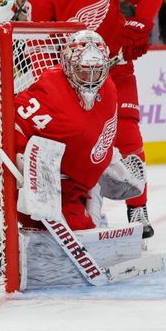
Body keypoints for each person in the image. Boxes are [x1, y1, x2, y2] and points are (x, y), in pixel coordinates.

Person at [28, 0, 164, 238]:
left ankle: (138, 205)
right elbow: (37, 45)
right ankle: (78, 209)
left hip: (114, 70)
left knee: (127, 135)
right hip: (68, 83)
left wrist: (140, 24)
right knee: (74, 145)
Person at [14, 30, 117, 231]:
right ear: (69, 66)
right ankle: (6, 236)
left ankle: (92, 213)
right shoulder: (51, 87)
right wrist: (21, 156)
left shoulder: (109, 88)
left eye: (96, 71)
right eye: (84, 71)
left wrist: (111, 159)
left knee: (83, 228)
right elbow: (10, 118)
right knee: (46, 224)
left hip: (80, 184)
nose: (90, 79)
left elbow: (104, 131)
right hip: (48, 183)